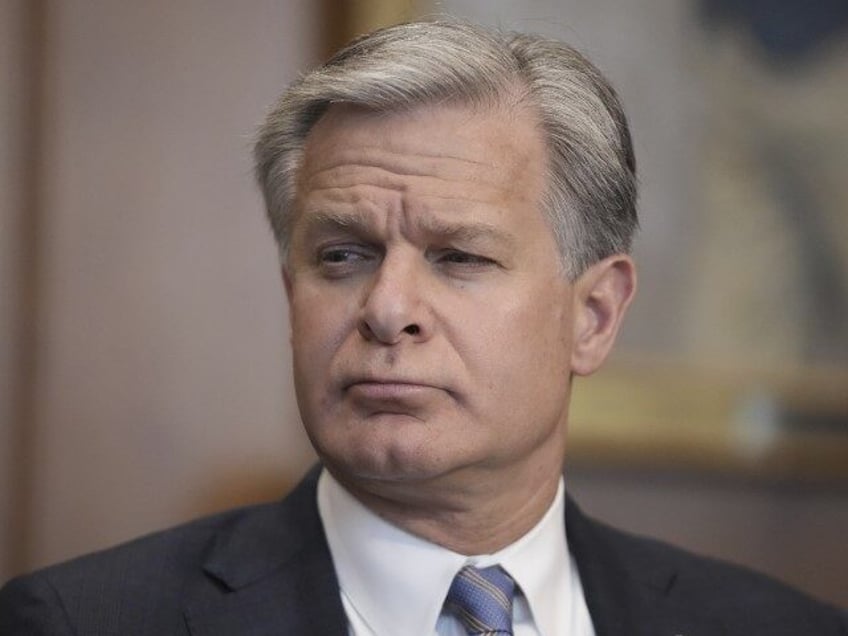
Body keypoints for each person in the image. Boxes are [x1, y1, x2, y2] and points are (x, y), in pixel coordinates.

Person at [1, 18, 845, 636]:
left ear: (592, 316)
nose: (387, 308)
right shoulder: (81, 623)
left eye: (458, 258)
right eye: (341, 257)